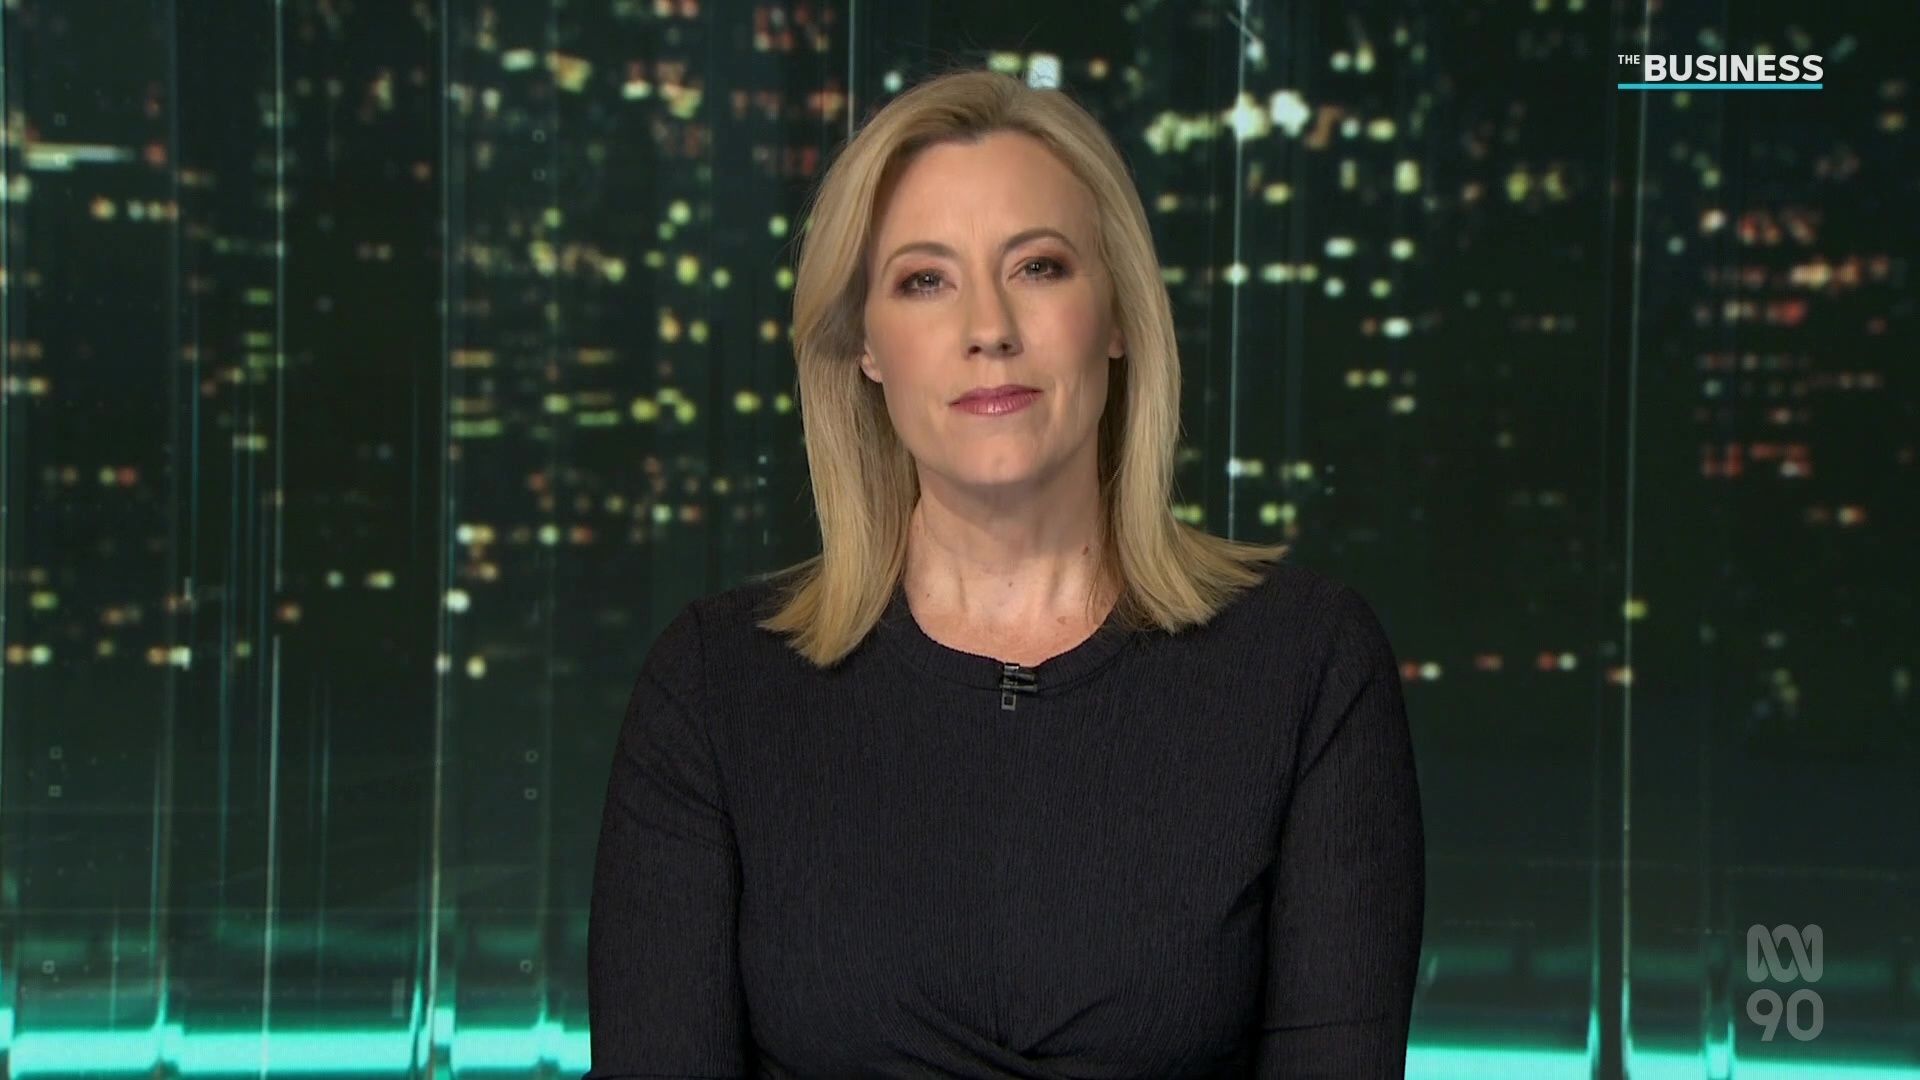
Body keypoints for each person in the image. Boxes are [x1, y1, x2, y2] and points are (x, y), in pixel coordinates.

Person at [586, 66, 1425, 1079]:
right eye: (924, 281)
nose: (988, 327)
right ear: (865, 347)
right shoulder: (715, 685)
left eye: (1038, 266)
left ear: (1117, 316)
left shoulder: (1308, 663)